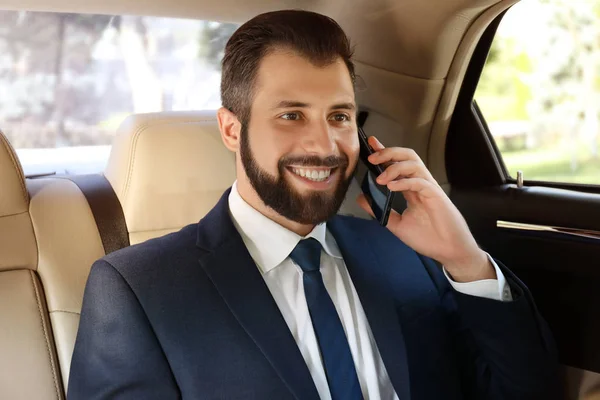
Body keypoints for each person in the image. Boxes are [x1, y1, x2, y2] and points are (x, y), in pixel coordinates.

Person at [68, 9, 559, 400]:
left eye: (339, 115)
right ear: (231, 129)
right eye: (291, 114)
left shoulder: (411, 253)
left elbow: (526, 391)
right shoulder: (139, 290)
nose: (324, 144)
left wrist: (466, 261)